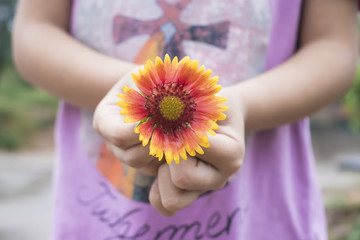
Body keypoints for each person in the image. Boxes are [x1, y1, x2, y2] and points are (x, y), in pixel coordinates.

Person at [12, 0, 358, 239]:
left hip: (265, 220)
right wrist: (134, 92)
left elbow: (334, 47)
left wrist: (238, 106)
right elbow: (34, 32)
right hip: (96, 223)